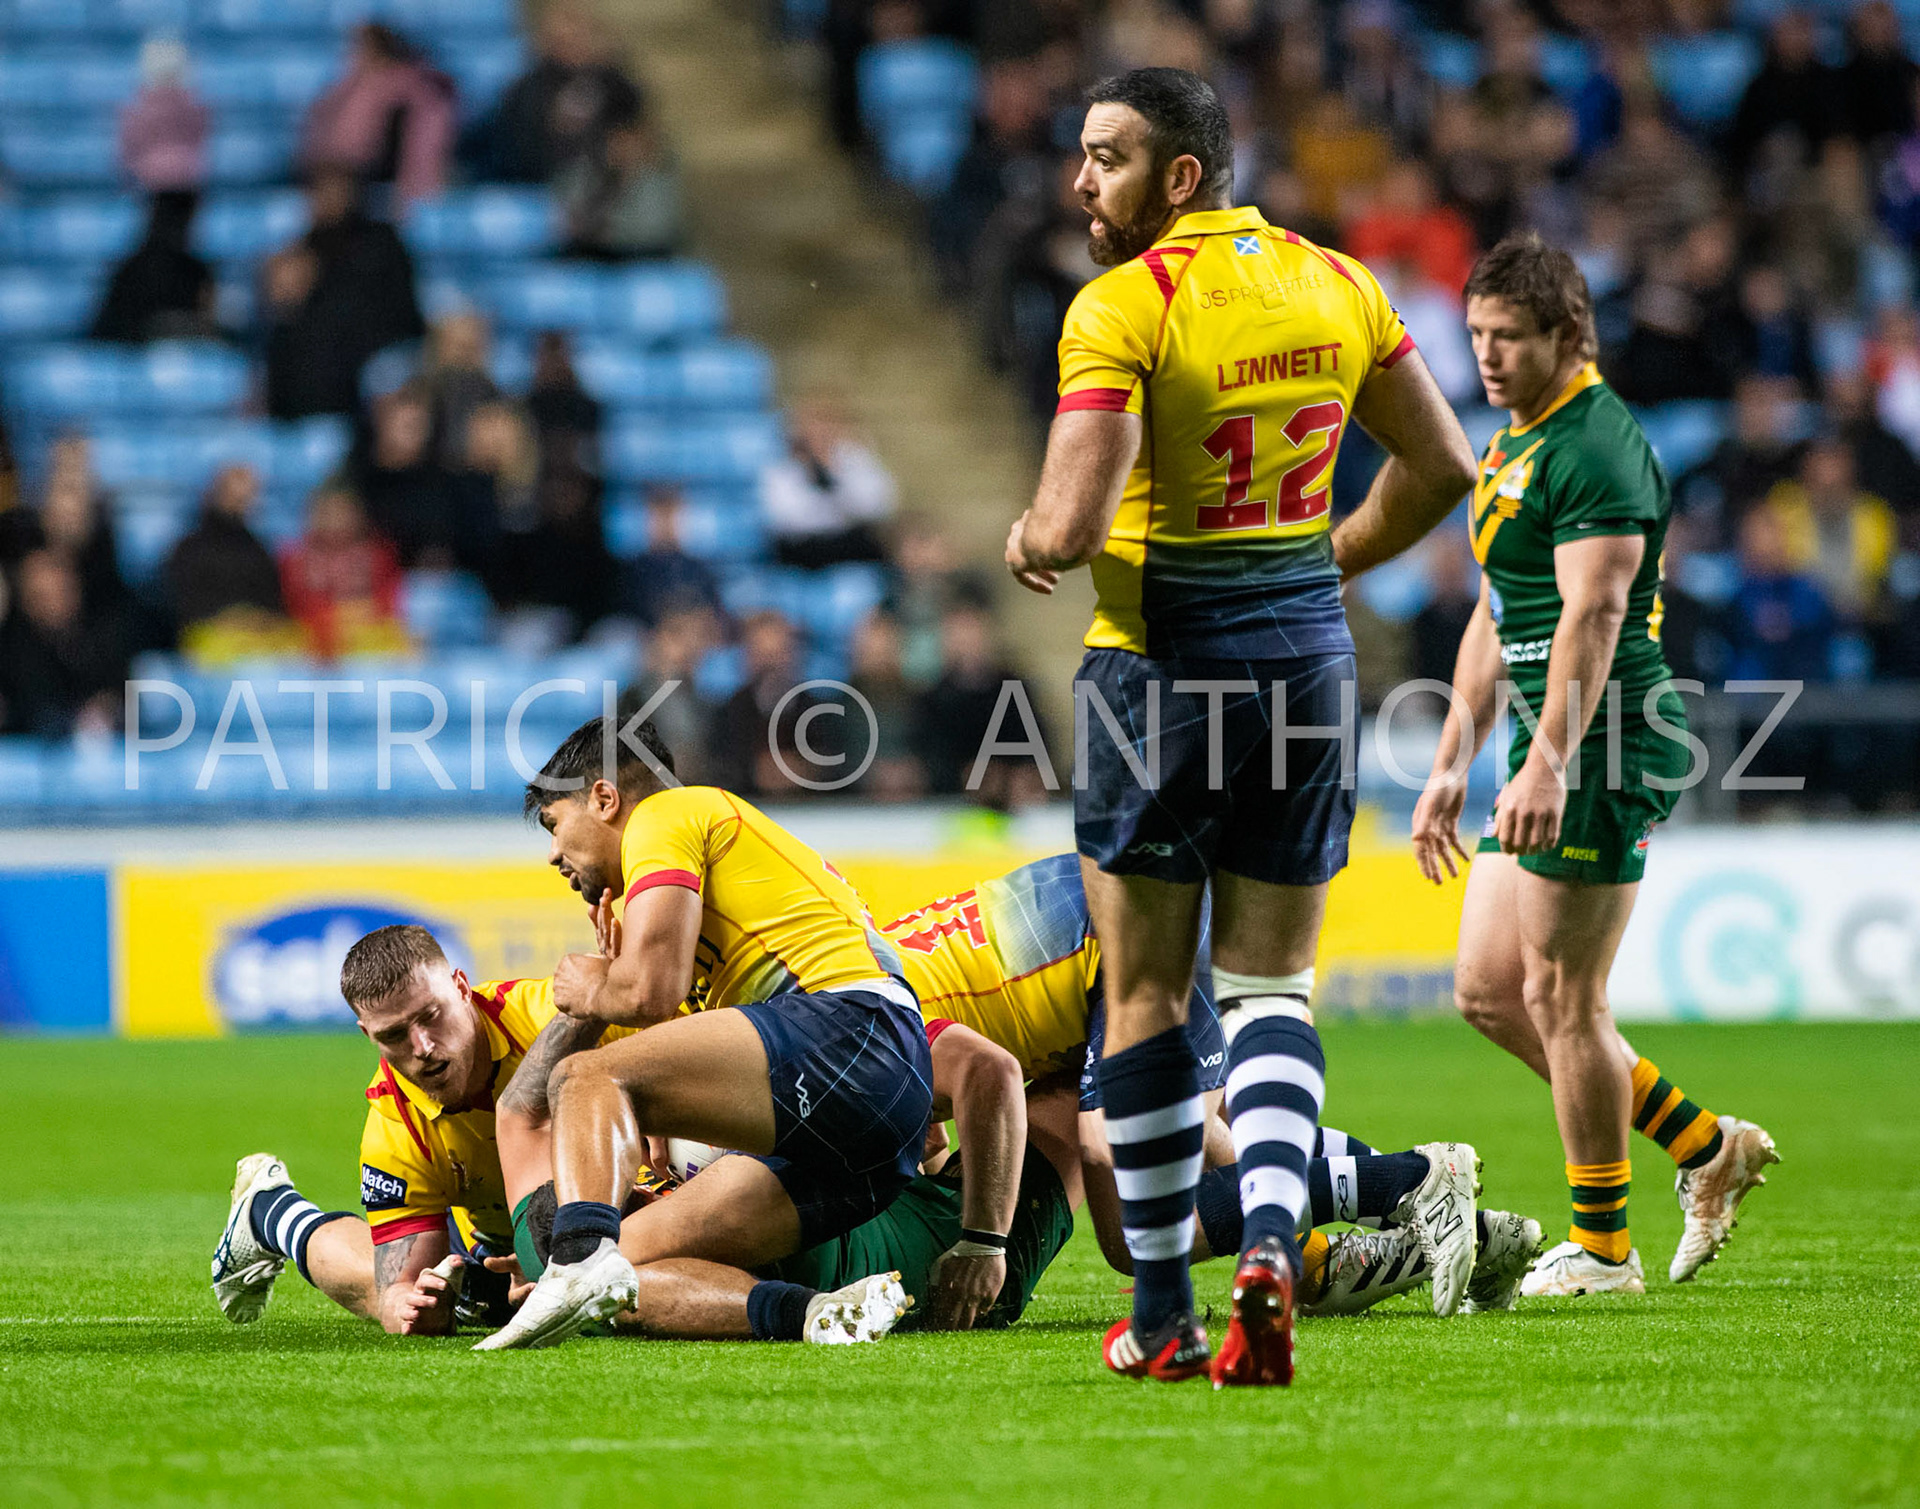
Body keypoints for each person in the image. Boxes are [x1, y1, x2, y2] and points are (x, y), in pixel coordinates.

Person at [1002, 67, 1476, 1386]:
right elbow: (1444, 467)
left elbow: (1073, 522)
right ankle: (1272, 1239)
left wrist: (1027, 535)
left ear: (1182, 176)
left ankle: (1163, 1314)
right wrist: (1325, 563)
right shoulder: (1338, 282)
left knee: (1151, 995)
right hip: (1310, 672)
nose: (1081, 182)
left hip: (1160, 677)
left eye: (1106, 158)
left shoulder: (1123, 306)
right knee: (1273, 990)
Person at [1409, 235, 1779, 1300]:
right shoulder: (1510, 442)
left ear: (1570, 335)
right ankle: (1707, 1146)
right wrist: (1452, 761)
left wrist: (1551, 763)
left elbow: (1596, 611)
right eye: (1476, 333)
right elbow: (1499, 605)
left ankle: (1603, 1250)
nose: (1484, 355)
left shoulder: (1601, 447)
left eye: (1508, 337)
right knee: (1489, 993)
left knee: (1564, 995)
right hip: (1544, 738)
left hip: (1603, 737)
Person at [477, 716, 936, 1350]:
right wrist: (622, 975)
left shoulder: (666, 816)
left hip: (853, 1029)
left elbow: (648, 991)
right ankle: (819, 1314)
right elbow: (681, 1014)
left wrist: (595, 988)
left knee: (581, 1076)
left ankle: (572, 1263)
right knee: (627, 1264)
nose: (553, 855)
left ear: (605, 799)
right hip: (874, 1130)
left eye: (556, 826)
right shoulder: (713, 890)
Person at [263, 166, 426, 421]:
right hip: (319, 364)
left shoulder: (381, 242)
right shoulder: (302, 252)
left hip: (374, 354)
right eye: (319, 190)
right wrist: (285, 299)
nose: (326, 197)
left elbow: (404, 313)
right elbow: (284, 319)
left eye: (335, 187)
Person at [468, 3, 644, 183]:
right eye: (564, 23)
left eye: (578, 22)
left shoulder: (614, 82)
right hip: (545, 190)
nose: (572, 33)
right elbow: (523, 154)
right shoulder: (528, 89)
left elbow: (636, 134)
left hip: (607, 186)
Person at [299, 23, 455, 210]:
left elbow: (425, 145)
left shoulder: (417, 90)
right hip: (343, 177)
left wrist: (413, 189)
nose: (354, 57)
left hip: (376, 181)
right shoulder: (350, 86)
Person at [759, 398, 897, 570]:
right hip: (802, 551)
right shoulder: (780, 469)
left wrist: (834, 474)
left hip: (848, 544)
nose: (818, 435)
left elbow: (878, 506)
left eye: (824, 426)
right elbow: (785, 520)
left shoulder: (855, 460)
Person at [278, 485, 408, 660]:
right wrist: (341, 616)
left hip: (369, 634)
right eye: (327, 512)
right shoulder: (294, 557)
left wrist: (358, 615)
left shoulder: (378, 553)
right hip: (315, 638)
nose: (334, 519)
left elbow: (389, 599)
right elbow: (295, 604)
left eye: (341, 511)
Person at [88, 189, 217, 344]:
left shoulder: (197, 272)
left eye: (181, 218)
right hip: (134, 358)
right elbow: (108, 334)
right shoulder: (129, 271)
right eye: (168, 217)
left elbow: (207, 328)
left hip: (186, 358)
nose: (174, 226)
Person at [556, 120, 685, 261]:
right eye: (616, 143)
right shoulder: (591, 177)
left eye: (628, 144)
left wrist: (609, 232)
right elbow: (568, 216)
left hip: (643, 261)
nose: (621, 150)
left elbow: (656, 231)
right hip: (593, 259)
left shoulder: (656, 185)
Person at [617, 484, 722, 628]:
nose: (665, 523)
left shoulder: (699, 570)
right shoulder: (628, 572)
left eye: (670, 514)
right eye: (657, 515)